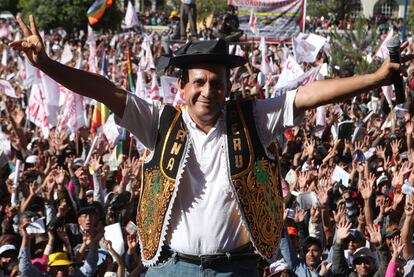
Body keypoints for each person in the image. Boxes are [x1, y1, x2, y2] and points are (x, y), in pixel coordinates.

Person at [9, 15, 414, 276]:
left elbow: (309, 96)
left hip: (235, 268)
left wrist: (376, 77)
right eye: (199, 82)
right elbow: (106, 91)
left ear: (228, 87)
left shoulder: (251, 117)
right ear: (182, 87)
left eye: (217, 83)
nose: (208, 91)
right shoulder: (160, 122)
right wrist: (46, 64)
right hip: (170, 268)